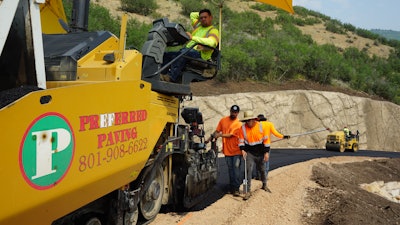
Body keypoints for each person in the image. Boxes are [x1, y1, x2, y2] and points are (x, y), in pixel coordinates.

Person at [161, 9, 219, 82]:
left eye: (205, 17)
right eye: (201, 18)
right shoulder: (198, 27)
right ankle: (162, 75)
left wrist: (193, 38)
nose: (203, 19)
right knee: (166, 55)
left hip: (200, 55)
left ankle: (171, 77)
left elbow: (212, 42)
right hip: (187, 50)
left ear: (211, 17)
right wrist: (201, 14)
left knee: (183, 54)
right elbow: (192, 14)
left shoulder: (213, 30)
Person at [206, 105, 242, 196]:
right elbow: (217, 131)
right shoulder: (223, 120)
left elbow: (230, 135)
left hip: (237, 151)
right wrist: (209, 139)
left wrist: (220, 135)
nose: (233, 114)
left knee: (236, 169)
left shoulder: (238, 124)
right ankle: (232, 187)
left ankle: (236, 188)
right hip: (227, 151)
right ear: (230, 111)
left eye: (235, 112)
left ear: (238, 113)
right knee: (230, 170)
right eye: (232, 112)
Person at [238, 110, 269, 200]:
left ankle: (264, 184)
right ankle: (247, 191)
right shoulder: (243, 128)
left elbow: (266, 140)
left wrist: (266, 152)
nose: (248, 122)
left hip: (260, 153)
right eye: (246, 121)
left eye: (249, 120)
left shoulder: (260, 127)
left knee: (262, 170)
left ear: (253, 119)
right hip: (250, 153)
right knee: (248, 171)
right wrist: (243, 150)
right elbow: (241, 141)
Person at [256, 114, 290, 192]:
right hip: (266, 146)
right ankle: (265, 176)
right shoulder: (269, 124)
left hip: (257, 145)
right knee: (266, 161)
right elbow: (275, 133)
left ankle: (259, 176)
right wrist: (283, 136)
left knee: (258, 161)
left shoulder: (256, 125)